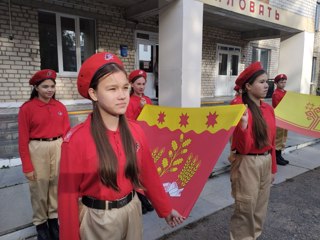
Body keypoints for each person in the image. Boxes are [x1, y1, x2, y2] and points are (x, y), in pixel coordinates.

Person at [58, 52, 185, 240]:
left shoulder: (135, 131)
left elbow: (148, 174)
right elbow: (67, 197)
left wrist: (165, 209)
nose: (122, 96)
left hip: (133, 211)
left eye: (125, 88)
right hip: (99, 221)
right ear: (93, 93)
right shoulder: (76, 140)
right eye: (112, 89)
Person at [18, 69, 70, 240]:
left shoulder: (60, 107)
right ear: (36, 88)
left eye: (52, 86)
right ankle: (41, 224)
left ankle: (54, 221)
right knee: (39, 188)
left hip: (58, 146)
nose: (50, 90)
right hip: (37, 148)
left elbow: (67, 133)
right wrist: (27, 166)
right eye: (45, 86)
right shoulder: (27, 109)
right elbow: (23, 139)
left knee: (56, 185)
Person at [229, 62, 277, 240]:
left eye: (267, 81)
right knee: (245, 208)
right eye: (262, 82)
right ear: (248, 86)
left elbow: (271, 142)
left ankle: (254, 237)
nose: (267, 85)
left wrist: (272, 167)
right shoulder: (240, 109)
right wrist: (242, 125)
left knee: (259, 208)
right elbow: (243, 148)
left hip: (265, 161)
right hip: (246, 162)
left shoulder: (268, 109)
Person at [126, 69, 155, 214]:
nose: (141, 87)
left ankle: (146, 197)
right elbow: (129, 124)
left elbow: (153, 121)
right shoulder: (129, 102)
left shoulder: (148, 100)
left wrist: (147, 108)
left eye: (143, 84)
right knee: (136, 171)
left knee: (146, 170)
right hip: (134, 141)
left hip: (147, 140)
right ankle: (142, 200)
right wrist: (142, 110)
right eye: (138, 84)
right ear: (131, 84)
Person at [272, 74, 289, 166]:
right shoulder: (276, 94)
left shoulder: (286, 92)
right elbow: (278, 106)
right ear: (276, 83)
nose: (283, 84)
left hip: (286, 118)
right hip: (279, 118)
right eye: (281, 82)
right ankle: (275, 157)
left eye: (284, 82)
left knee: (283, 137)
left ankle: (279, 155)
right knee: (278, 138)